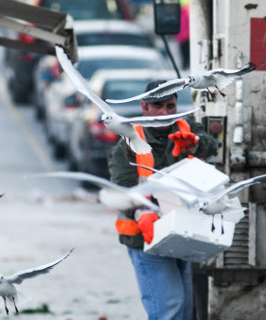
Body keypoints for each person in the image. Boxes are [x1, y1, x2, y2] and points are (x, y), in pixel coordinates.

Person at [108, 80, 220, 320]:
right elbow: (121, 190)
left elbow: (213, 146)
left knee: (183, 311)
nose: (164, 113)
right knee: (169, 309)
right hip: (145, 236)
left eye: (170, 106)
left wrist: (196, 143)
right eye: (157, 106)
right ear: (144, 107)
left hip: (181, 231)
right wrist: (142, 213)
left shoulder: (185, 127)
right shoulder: (128, 141)